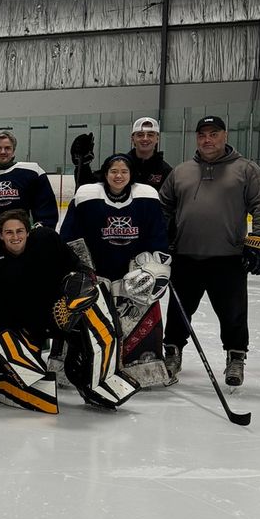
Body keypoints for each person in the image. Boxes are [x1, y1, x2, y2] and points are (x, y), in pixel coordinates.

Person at [0, 208, 133, 411]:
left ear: (28, 231)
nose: (15, 237)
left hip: (55, 314)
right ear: (0, 235)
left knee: (93, 308)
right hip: (16, 327)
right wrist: (0, 340)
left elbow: (79, 269)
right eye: (9, 232)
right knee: (37, 386)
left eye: (20, 231)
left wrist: (78, 287)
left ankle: (94, 379)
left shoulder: (47, 240)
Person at [158, 115, 260, 388]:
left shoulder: (246, 169)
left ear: (225, 135)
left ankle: (235, 359)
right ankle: (172, 355)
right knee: (178, 312)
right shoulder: (181, 171)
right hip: (186, 256)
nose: (207, 140)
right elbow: (163, 206)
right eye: (202, 135)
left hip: (228, 258)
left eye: (213, 134)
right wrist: (161, 238)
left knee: (233, 313)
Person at [60, 154, 172, 387]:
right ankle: (80, 366)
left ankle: (142, 369)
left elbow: (158, 238)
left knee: (139, 321)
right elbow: (69, 237)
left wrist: (152, 267)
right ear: (105, 174)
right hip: (95, 274)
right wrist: (81, 267)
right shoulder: (86, 198)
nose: (118, 176)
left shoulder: (147, 198)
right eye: (113, 171)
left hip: (134, 277)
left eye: (124, 171)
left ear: (131, 175)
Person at [71, 116, 172, 192]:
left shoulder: (166, 171)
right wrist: (82, 165)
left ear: (157, 138)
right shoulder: (117, 164)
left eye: (150, 135)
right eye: (140, 135)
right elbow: (89, 186)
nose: (145, 139)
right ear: (133, 139)